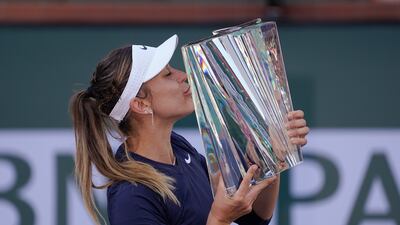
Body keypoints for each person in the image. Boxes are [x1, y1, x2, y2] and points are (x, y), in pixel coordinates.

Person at [70, 34, 309, 225]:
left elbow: (257, 217)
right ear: (141, 104)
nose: (183, 75)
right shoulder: (131, 197)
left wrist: (269, 156)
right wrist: (220, 219)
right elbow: (223, 215)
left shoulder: (178, 147)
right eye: (167, 75)